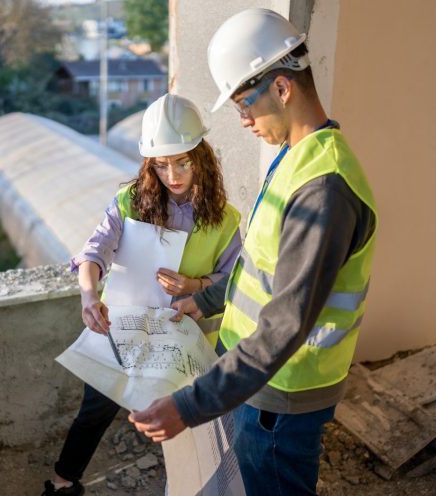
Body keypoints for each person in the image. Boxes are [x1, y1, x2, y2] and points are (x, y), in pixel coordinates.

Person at [129, 8, 378, 496]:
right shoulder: (295, 158)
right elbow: (260, 267)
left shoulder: (323, 190)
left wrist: (188, 406)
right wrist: (205, 300)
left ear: (282, 88)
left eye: (245, 103)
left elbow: (285, 322)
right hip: (262, 384)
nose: (242, 119)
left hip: (284, 392)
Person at [43, 93, 242, 496]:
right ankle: (64, 482)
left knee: (188, 426)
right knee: (96, 406)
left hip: (185, 340)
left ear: (201, 157)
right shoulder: (130, 202)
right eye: (161, 164)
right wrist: (89, 296)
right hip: (126, 328)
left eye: (182, 162)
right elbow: (94, 251)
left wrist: (196, 287)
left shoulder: (225, 220)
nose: (172, 174)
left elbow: (234, 281)